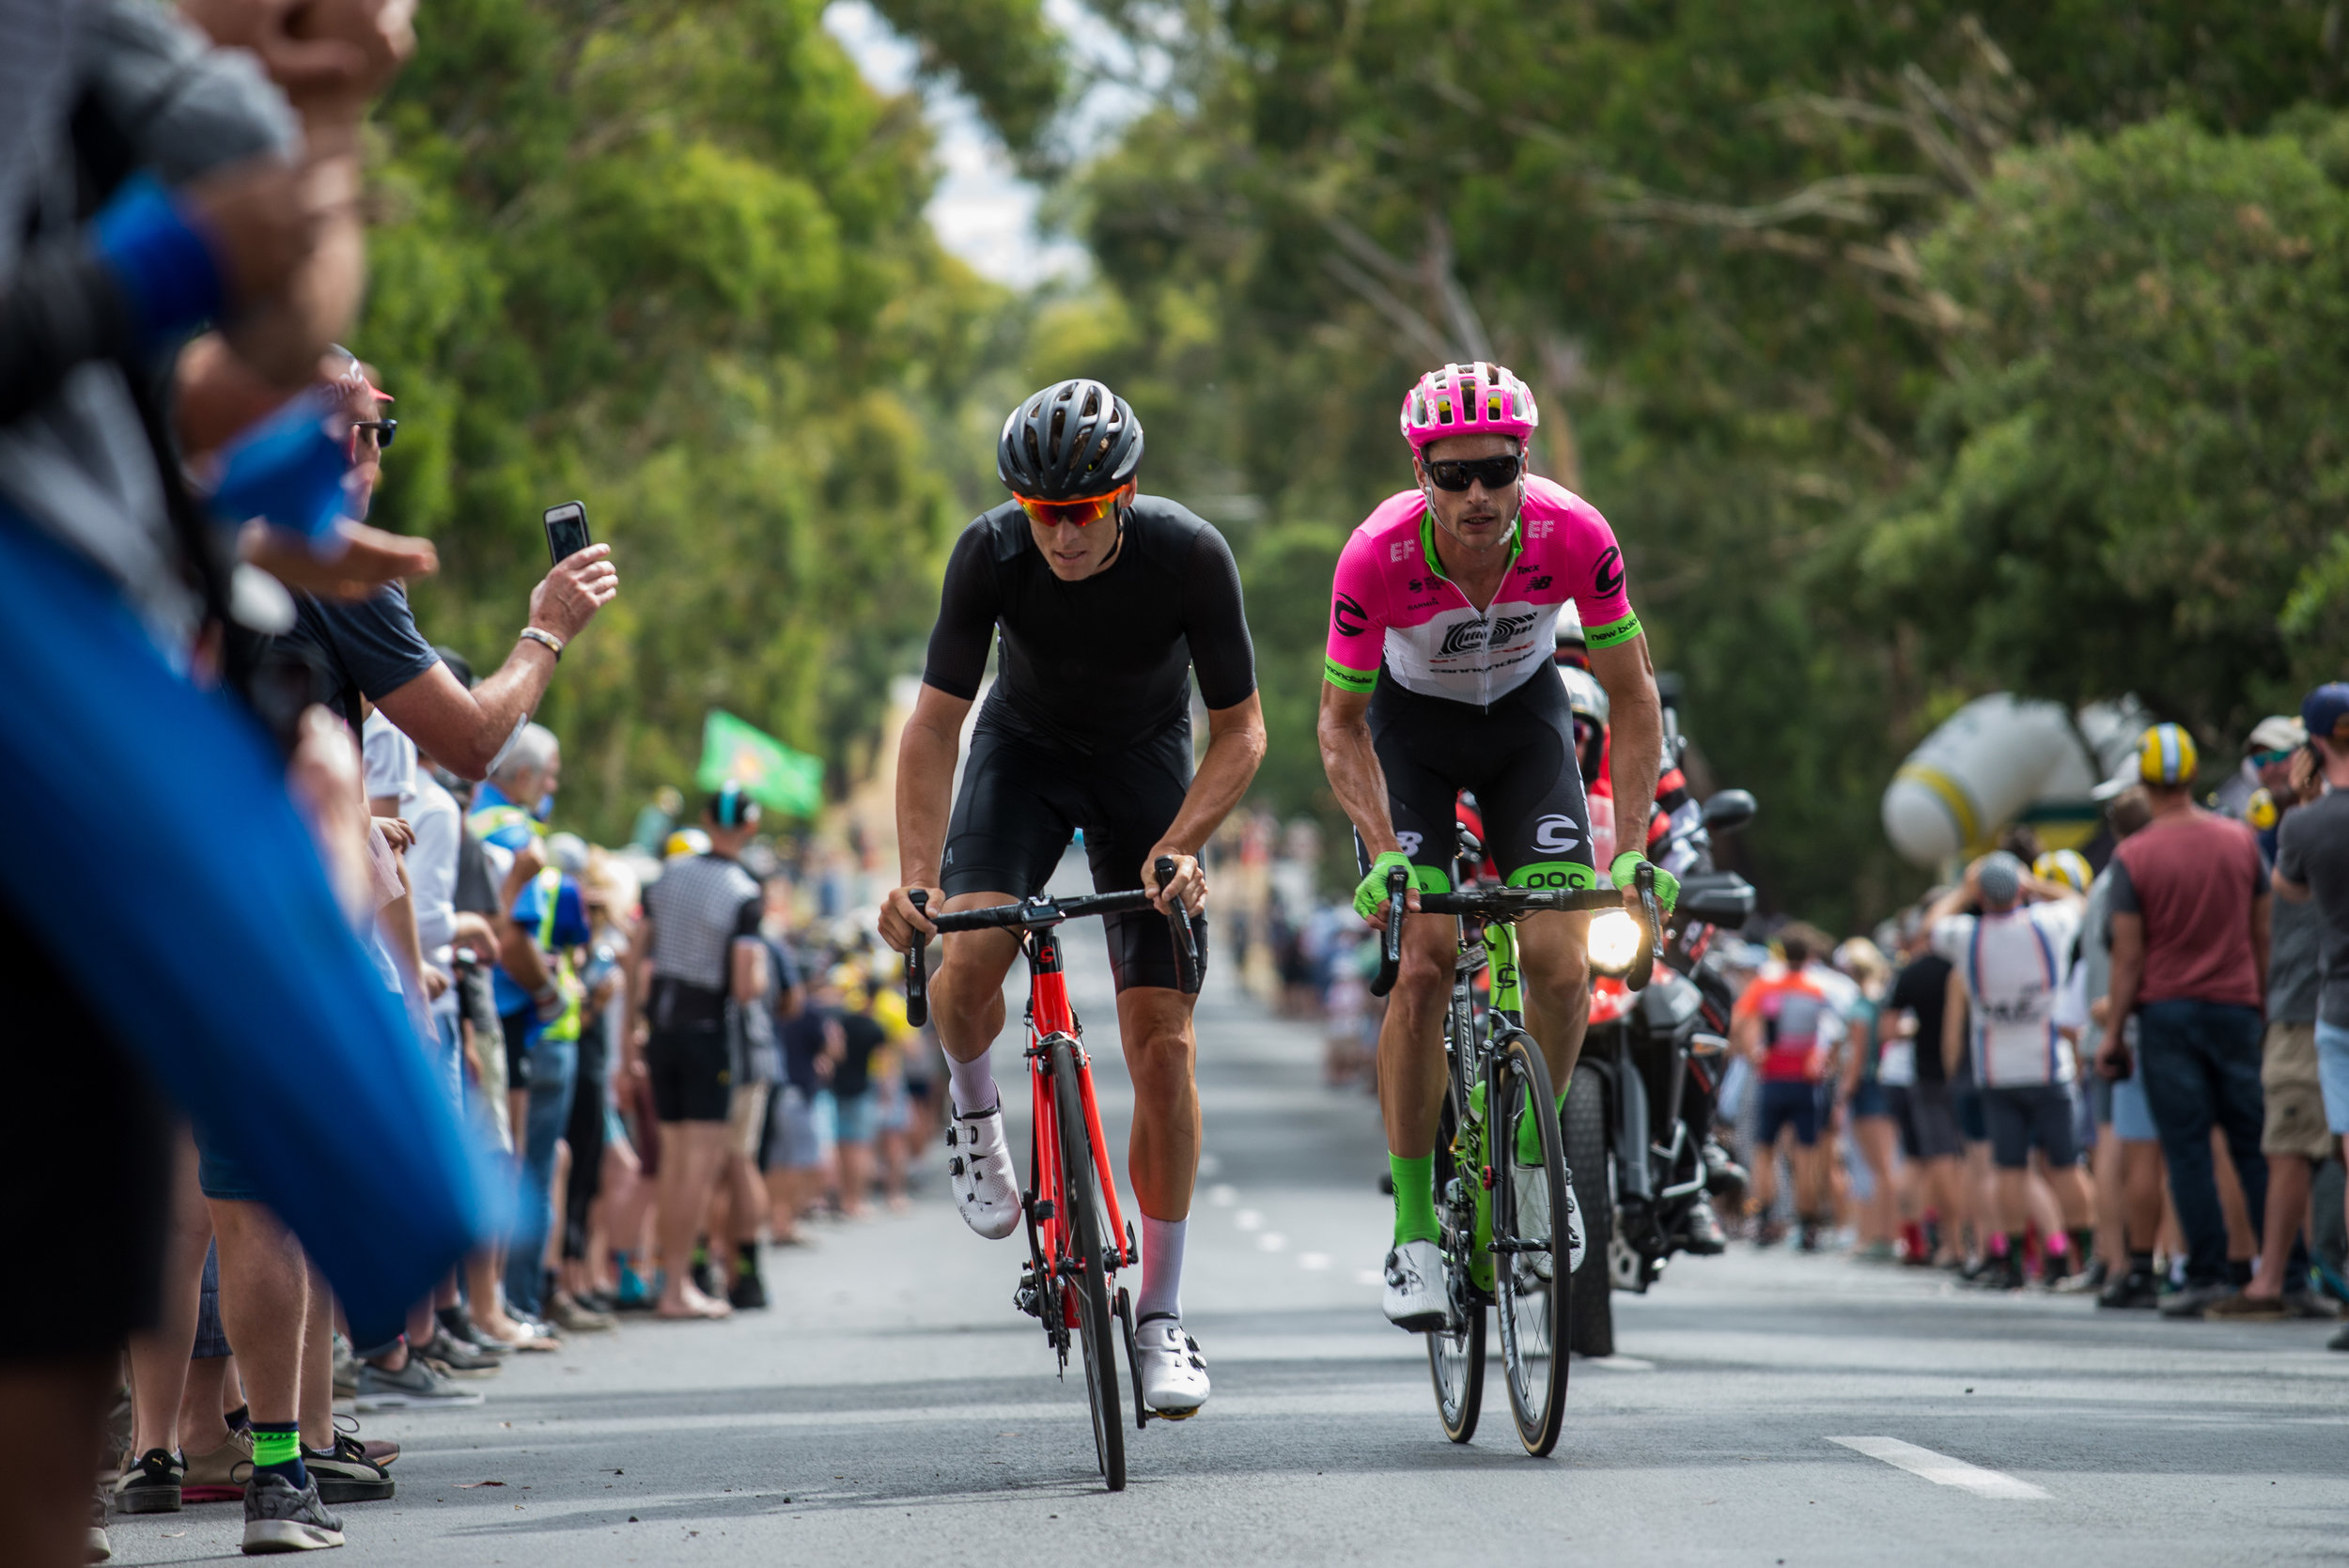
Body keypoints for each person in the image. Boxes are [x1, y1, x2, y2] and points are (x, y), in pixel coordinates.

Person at [878, 378, 1265, 1418]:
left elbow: (1242, 732)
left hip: (1145, 768)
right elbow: (932, 726)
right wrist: (918, 873)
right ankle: (974, 1112)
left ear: (1122, 496)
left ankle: (1162, 1317)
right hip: (1025, 755)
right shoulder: (989, 552)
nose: (1059, 535)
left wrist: (1183, 845)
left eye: (1079, 513)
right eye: (1040, 513)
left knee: (1163, 1048)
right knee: (965, 965)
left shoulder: (1190, 555)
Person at [1312, 361, 1672, 1327]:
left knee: (1560, 964)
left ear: (1525, 462)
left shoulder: (1576, 534)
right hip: (1410, 738)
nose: (1478, 494)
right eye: (1454, 473)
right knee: (1424, 963)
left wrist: (1631, 849)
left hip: (1525, 727)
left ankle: (1527, 1162)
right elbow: (1339, 726)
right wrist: (1384, 848)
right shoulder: (1374, 556)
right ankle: (1416, 1232)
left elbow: (1634, 697)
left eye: (1497, 470)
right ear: (1420, 473)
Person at [2098, 723, 2274, 1318]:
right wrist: (2265, 1008)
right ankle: (2287, 1270)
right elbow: (2262, 935)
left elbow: (2128, 957)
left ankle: (2204, 1274)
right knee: (2254, 1144)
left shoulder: (2133, 855)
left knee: (2189, 1149)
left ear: (2145, 783)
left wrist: (2113, 1033)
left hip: (2167, 1013)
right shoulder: (2240, 841)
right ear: (2194, 775)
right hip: (2236, 1007)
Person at [626, 787, 770, 1320]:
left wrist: (627, 1043)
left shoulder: (667, 877)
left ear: (706, 820)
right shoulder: (744, 890)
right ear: (749, 828)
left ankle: (668, 1278)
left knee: (671, 1165)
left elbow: (637, 955)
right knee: (698, 1166)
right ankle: (677, 1287)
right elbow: (746, 983)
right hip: (709, 1032)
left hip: (661, 1031)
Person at [1924, 852, 2092, 1290]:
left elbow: (1931, 925)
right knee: (2066, 1166)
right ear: (2020, 890)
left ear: (1980, 895)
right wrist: (2033, 884)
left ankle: (2014, 1262)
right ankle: (2089, 1259)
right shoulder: (2047, 925)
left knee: (2010, 1170)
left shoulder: (1969, 935)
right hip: (2050, 1067)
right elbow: (2078, 901)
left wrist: (1965, 889)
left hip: (1997, 1072)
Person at [2272, 684, 2349, 1350]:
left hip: (2336, 1007)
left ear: (2315, 743)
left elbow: (2289, 888)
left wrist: (2306, 795)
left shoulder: (2304, 825)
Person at [1734, 924, 1843, 1249]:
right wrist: (1827, 1062)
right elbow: (1839, 1030)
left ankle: (1766, 1218)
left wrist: (1753, 1054)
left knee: (1764, 1150)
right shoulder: (1818, 989)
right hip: (1806, 1081)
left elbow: (1741, 1021)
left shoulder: (1766, 987)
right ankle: (1809, 1223)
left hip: (1772, 1076)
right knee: (1806, 1152)